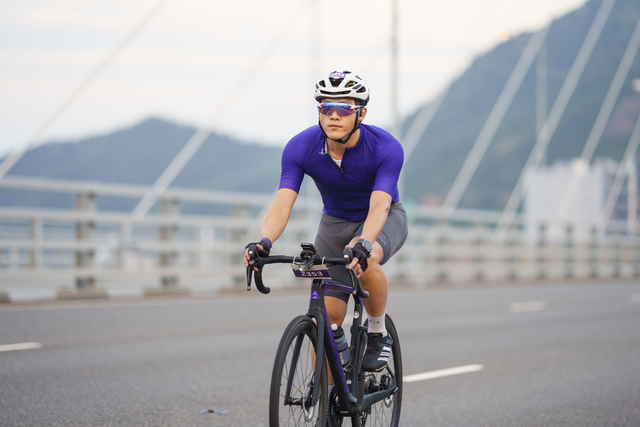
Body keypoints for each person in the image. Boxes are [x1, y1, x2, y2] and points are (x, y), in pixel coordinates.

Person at [244, 69, 408, 372]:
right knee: (326, 321)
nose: (333, 115)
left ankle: (377, 332)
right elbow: (282, 203)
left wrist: (364, 243)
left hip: (384, 218)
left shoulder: (385, 147)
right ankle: (325, 396)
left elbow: (380, 204)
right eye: (325, 107)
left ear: (361, 113)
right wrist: (264, 241)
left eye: (343, 108)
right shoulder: (301, 146)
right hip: (334, 224)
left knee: (367, 258)